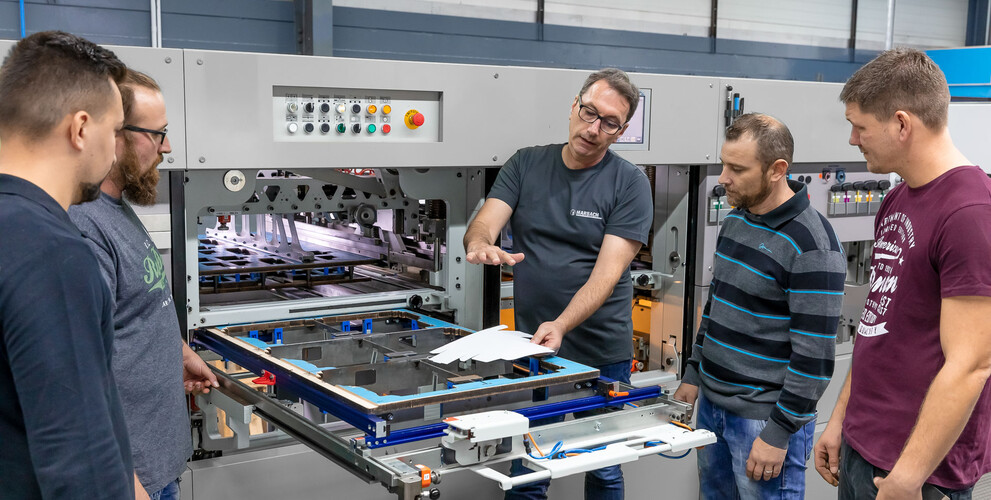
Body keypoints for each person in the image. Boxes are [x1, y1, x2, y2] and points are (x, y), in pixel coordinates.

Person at [463, 68, 652, 500]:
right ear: (574, 107)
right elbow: (485, 222)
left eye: (610, 123)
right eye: (590, 112)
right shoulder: (526, 163)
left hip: (602, 354)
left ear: (621, 132)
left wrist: (562, 324)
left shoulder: (630, 183)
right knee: (529, 467)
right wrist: (480, 244)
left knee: (603, 467)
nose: (594, 128)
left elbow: (606, 277)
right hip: (536, 350)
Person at [814, 48, 991, 500]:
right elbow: (877, 323)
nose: (853, 139)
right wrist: (840, 420)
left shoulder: (970, 212)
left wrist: (908, 477)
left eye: (860, 126)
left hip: (919, 472)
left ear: (901, 124)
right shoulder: (899, 198)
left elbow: (972, 364)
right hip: (863, 446)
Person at [673, 113, 845, 499]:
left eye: (737, 169)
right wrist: (693, 374)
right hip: (712, 407)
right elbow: (716, 307)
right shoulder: (736, 221)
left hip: (763, 421)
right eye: (724, 164)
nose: (723, 178)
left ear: (776, 170)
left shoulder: (812, 245)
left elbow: (814, 359)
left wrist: (778, 433)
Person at [66, 69, 219, 500]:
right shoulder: (82, 225)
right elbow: (75, 380)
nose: (166, 147)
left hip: (158, 464)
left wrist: (177, 352)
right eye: (157, 134)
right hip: (131, 480)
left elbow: (136, 306)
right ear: (111, 133)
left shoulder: (113, 207)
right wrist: (128, 485)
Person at [0, 31, 134, 499]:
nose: (115, 151)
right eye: (115, 131)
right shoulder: (51, 253)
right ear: (80, 129)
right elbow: (79, 462)